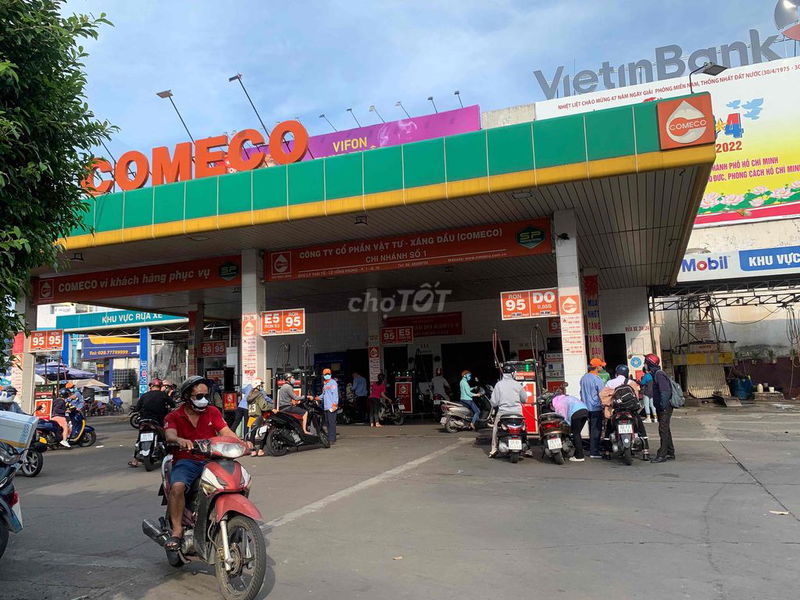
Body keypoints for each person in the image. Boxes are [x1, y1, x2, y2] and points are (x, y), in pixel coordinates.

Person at [163, 376, 245, 551]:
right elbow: (170, 434)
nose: (204, 400)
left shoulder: (212, 412)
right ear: (187, 396)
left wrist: (242, 443)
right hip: (186, 461)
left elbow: (226, 431)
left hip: (212, 459)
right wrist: (179, 440)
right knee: (177, 487)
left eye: (206, 396)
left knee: (238, 481)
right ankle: (177, 531)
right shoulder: (174, 416)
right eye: (199, 396)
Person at [602, 364, 650, 461]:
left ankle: (607, 452)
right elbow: (636, 397)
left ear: (616, 374)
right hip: (630, 411)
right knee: (640, 429)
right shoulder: (632, 383)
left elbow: (604, 397)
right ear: (627, 373)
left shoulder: (610, 383)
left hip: (616, 411)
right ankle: (646, 452)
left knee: (608, 430)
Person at [128, 378, 175, 467]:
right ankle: (170, 457)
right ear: (160, 386)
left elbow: (137, 408)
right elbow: (173, 404)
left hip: (144, 420)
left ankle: (135, 460)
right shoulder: (163, 395)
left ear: (151, 386)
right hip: (158, 421)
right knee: (165, 437)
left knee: (139, 438)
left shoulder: (144, 395)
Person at [488, 364, 527, 457]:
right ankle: (527, 448)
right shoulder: (518, 385)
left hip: (503, 413)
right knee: (524, 428)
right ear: (512, 373)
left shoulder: (498, 385)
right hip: (517, 413)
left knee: (495, 429)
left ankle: (494, 449)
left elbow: (494, 402)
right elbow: (524, 399)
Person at [645, 354, 675, 463]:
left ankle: (662, 455)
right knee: (665, 429)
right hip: (662, 407)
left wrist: (663, 406)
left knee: (663, 429)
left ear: (650, 363)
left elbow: (665, 392)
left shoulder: (659, 374)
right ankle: (670, 452)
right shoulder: (655, 374)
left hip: (665, 407)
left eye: (645, 362)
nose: (644, 365)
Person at [580, 358, 606, 459]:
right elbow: (602, 394)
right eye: (601, 365)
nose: (602, 367)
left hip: (585, 407)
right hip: (595, 408)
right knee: (596, 430)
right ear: (596, 367)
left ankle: (592, 448)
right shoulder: (597, 379)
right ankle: (594, 452)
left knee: (591, 429)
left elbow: (581, 392)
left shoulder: (584, 378)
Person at [551, 393, 589, 462]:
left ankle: (579, 456)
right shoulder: (566, 398)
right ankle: (577, 453)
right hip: (585, 410)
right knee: (577, 434)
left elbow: (562, 417)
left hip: (576, 413)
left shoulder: (558, 404)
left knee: (575, 434)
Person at [309, 368, 338, 444]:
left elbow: (335, 394)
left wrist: (334, 404)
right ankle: (330, 437)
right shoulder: (325, 384)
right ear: (323, 375)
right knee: (327, 423)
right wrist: (317, 398)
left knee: (332, 423)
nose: (327, 375)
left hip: (332, 406)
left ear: (330, 374)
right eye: (325, 374)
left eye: (328, 374)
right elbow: (324, 394)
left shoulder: (333, 383)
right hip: (326, 406)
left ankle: (332, 439)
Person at [248, 389, 273, 457]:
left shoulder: (249, 397)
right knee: (264, 432)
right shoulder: (259, 396)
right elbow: (263, 407)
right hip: (259, 416)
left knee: (252, 434)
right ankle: (260, 450)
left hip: (251, 417)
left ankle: (253, 451)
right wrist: (272, 407)